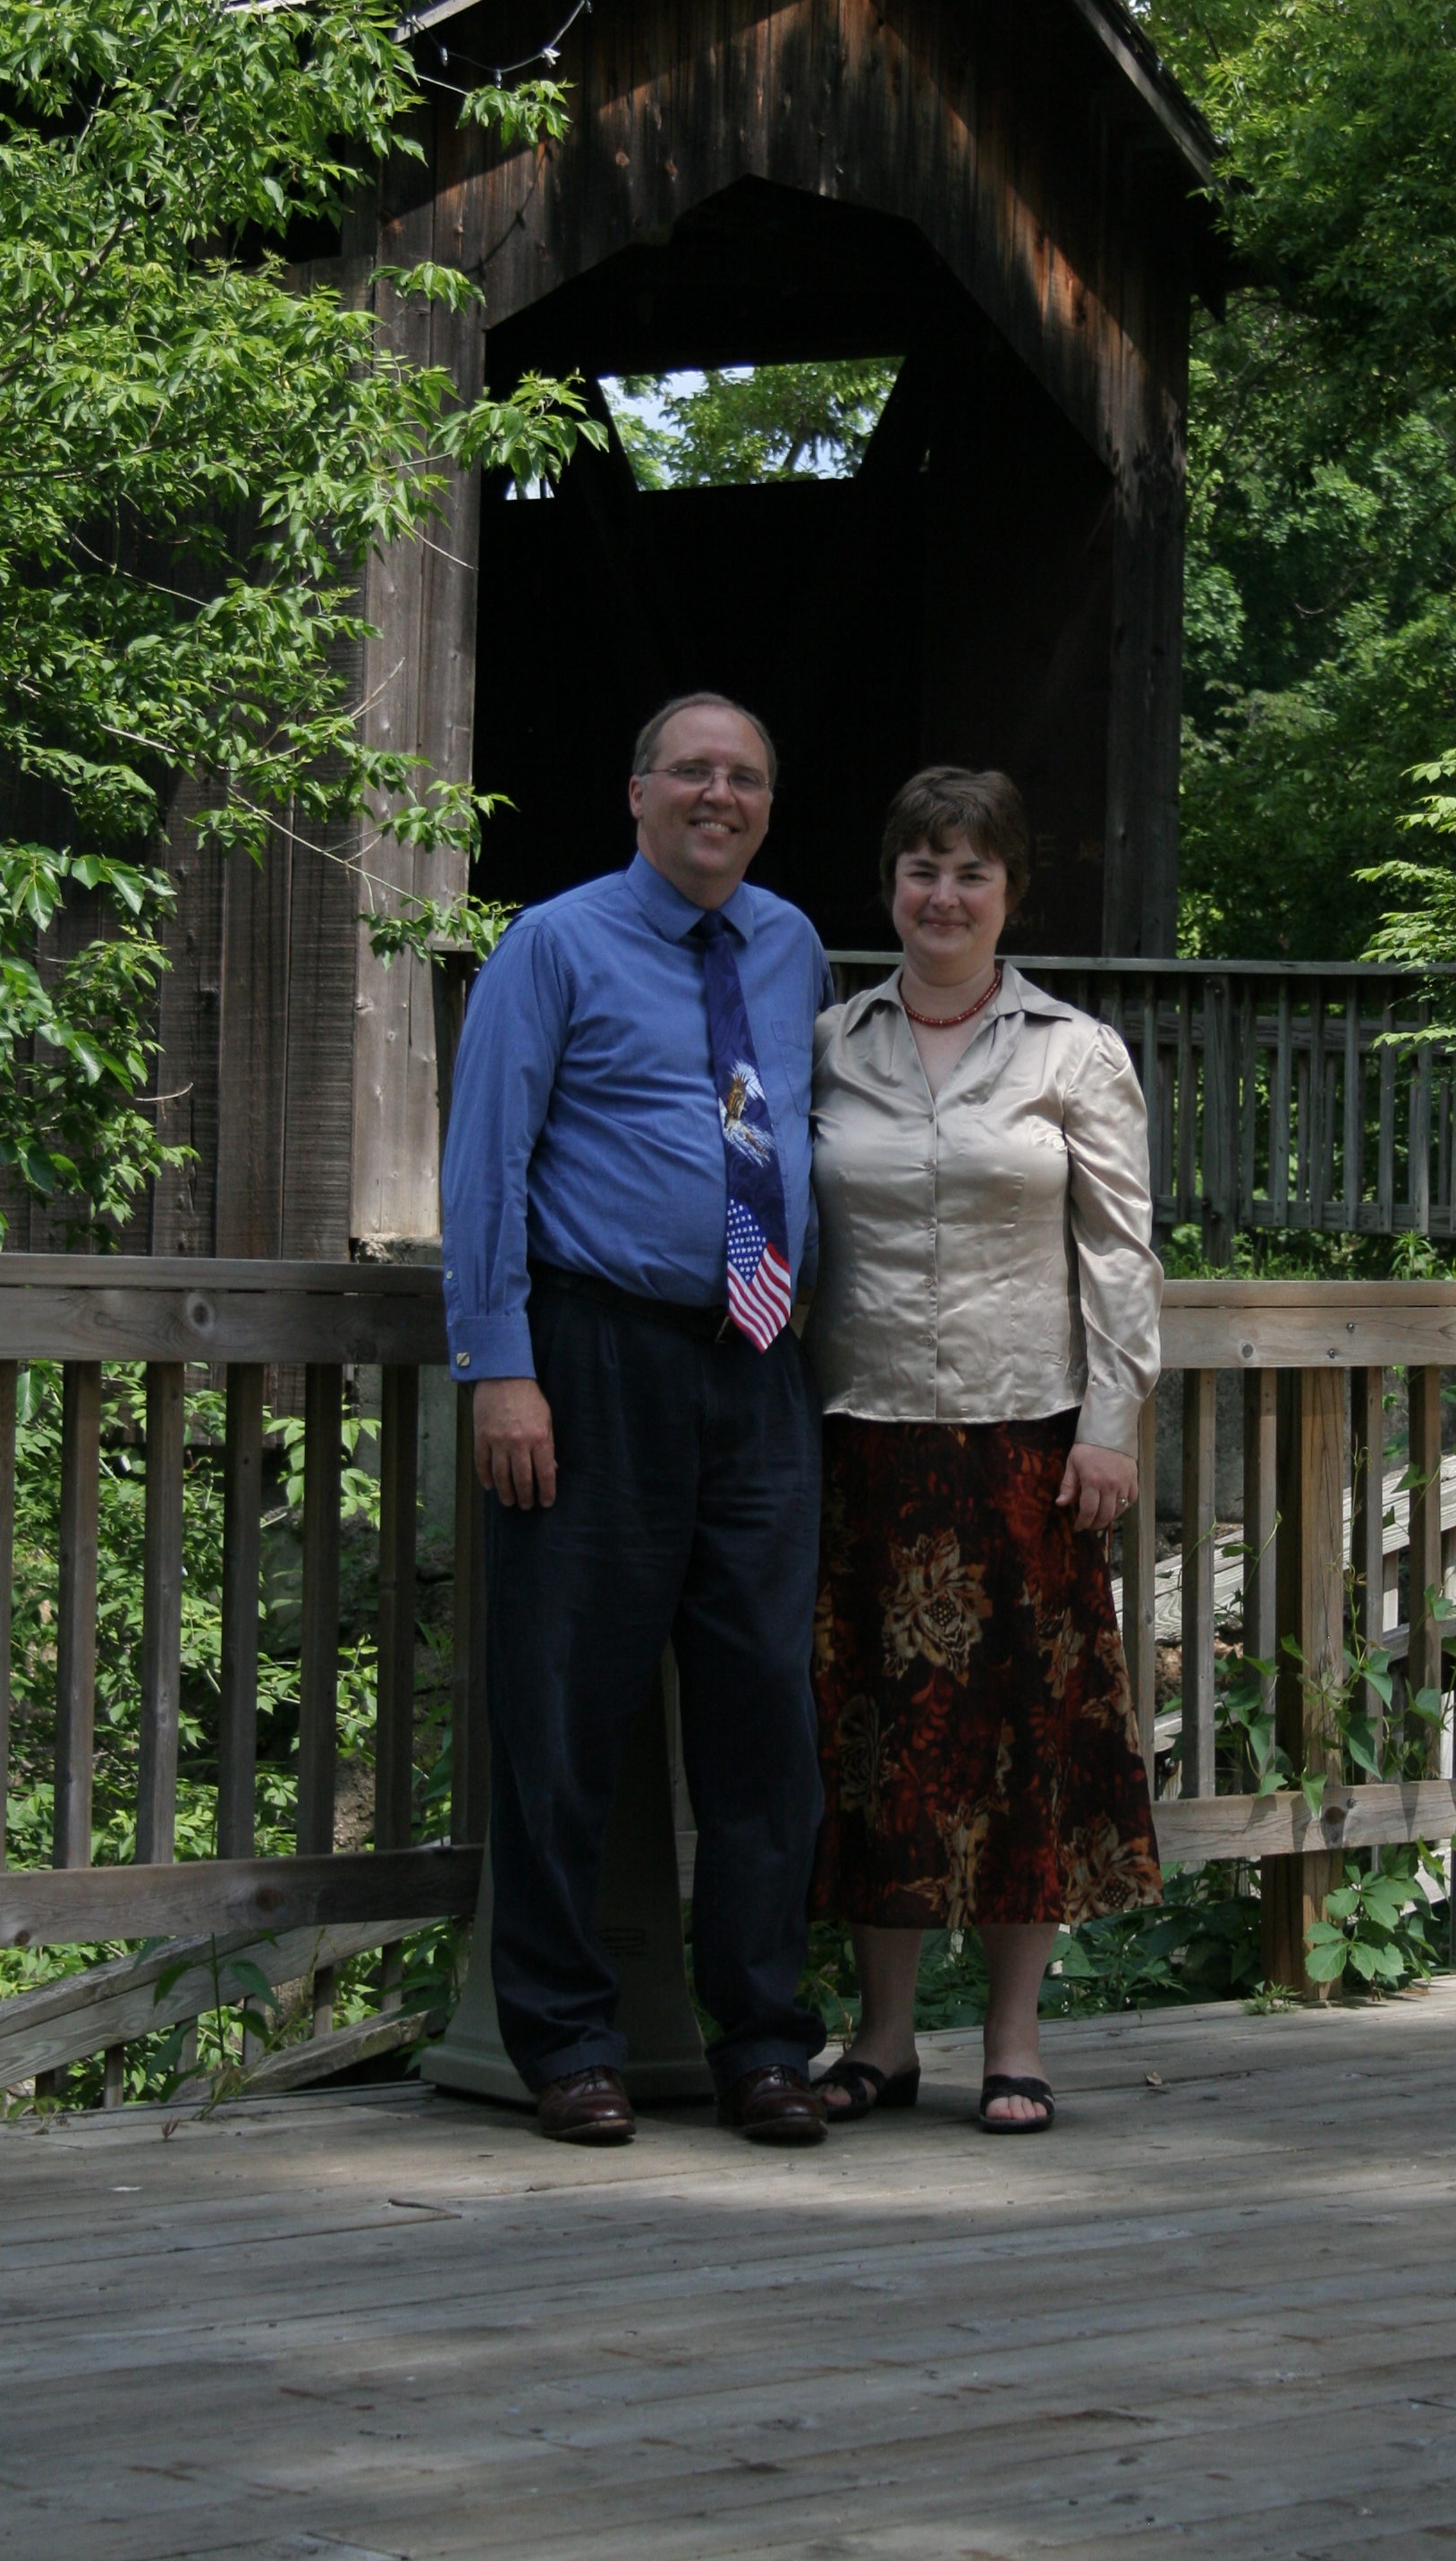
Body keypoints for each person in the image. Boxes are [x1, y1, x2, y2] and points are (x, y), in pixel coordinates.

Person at [440, 692, 834, 2150]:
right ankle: (567, 2044)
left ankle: (767, 2043)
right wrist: (500, 1367)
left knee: (765, 1718)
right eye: (692, 773)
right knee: (563, 1710)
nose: (718, 796)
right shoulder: (552, 945)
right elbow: (486, 1161)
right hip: (592, 1359)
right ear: (637, 793)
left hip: (758, 1365)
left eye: (745, 778)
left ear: (767, 807)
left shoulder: (791, 946)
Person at [803, 766, 1164, 2133]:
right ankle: (884, 2037)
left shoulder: (1075, 1053)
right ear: (890, 885)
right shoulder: (827, 1044)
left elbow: (1120, 1256)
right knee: (874, 1735)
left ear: (1010, 892)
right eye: (922, 868)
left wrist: (1112, 1427)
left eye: (971, 872)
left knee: (1028, 1737)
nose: (943, 895)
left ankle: (1014, 2040)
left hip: (1028, 1444)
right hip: (862, 1437)